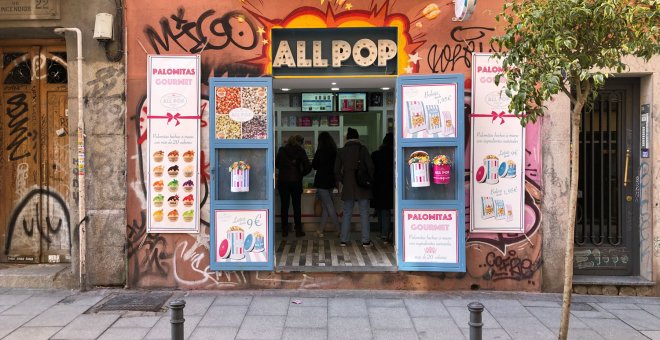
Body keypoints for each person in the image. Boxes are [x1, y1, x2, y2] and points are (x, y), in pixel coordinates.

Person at [334, 127, 374, 247]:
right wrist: (369, 180)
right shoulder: (363, 149)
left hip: (348, 185)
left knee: (346, 213)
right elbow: (371, 167)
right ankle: (366, 241)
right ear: (357, 137)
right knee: (364, 213)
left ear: (347, 138)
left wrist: (344, 180)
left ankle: (344, 240)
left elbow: (336, 171)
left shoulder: (341, 151)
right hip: (362, 186)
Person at [276, 135, 311, 237]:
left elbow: (277, 164)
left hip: (283, 182)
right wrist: (301, 174)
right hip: (296, 182)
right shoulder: (300, 151)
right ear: (298, 142)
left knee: (284, 206)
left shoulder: (282, 150)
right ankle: (298, 230)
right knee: (297, 206)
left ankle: (284, 230)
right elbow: (308, 167)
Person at [312, 132, 340, 238]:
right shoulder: (334, 151)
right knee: (326, 207)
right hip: (330, 181)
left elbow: (314, 165)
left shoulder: (320, 151)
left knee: (329, 206)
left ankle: (339, 230)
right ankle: (320, 230)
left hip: (321, 181)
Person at [371, 133, 394, 243]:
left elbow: (371, 170)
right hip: (390, 186)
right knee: (385, 210)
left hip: (378, 185)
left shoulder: (376, 155)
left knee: (380, 209)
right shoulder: (395, 154)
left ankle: (383, 233)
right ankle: (386, 233)